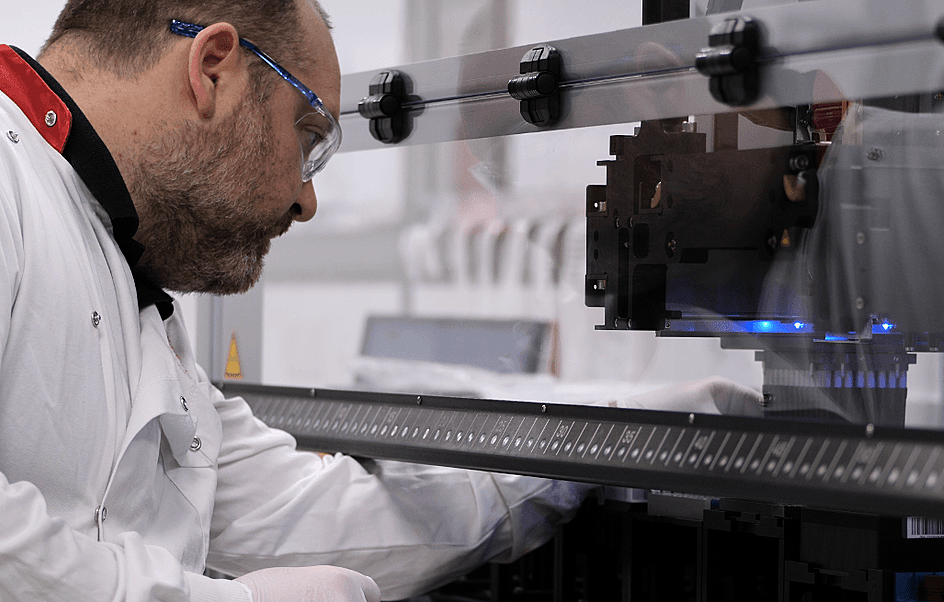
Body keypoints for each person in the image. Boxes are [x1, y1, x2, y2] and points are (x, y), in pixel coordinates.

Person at [0, 1, 763, 601]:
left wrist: (606, 434)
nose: (306, 201)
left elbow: (304, 522)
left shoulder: (126, 282)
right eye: (308, 137)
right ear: (214, 69)